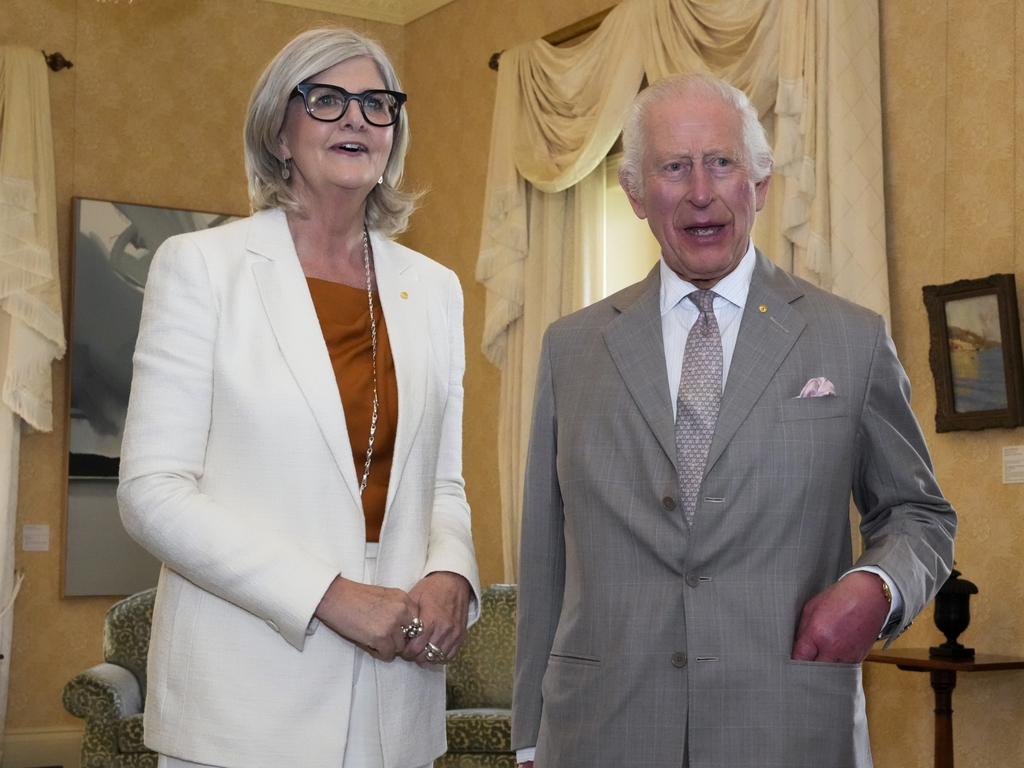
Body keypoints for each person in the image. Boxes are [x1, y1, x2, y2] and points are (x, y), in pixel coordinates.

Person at [512, 73, 955, 768]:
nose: (700, 192)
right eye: (673, 167)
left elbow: (920, 515)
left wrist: (879, 586)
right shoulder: (573, 348)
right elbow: (544, 554)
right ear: (634, 193)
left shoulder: (850, 339)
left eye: (721, 162)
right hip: (601, 733)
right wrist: (529, 735)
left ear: (761, 183)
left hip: (785, 729)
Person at [118, 27, 479, 768]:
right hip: (243, 700)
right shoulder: (201, 268)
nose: (356, 118)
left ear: (394, 133)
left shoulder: (435, 289)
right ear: (280, 132)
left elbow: (442, 480)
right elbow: (152, 492)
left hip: (397, 698)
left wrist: (453, 573)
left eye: (377, 104)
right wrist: (331, 595)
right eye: (327, 100)